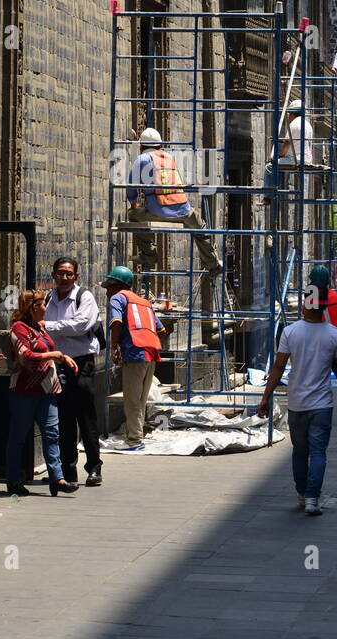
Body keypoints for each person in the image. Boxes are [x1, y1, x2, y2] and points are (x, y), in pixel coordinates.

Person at [257, 289, 337, 515]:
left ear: (304, 306)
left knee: (300, 450)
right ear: (323, 307)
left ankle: (302, 492)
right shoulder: (334, 335)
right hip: (322, 404)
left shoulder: (290, 332)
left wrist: (266, 397)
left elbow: (279, 367)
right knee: (318, 452)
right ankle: (312, 498)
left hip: (297, 403)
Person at [7, 290, 79, 497]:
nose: (46, 309)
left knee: (51, 434)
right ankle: (13, 481)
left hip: (47, 389)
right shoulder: (18, 328)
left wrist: (62, 357)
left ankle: (57, 479)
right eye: (42, 305)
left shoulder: (40, 328)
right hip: (24, 390)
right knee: (18, 436)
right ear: (33, 307)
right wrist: (55, 355)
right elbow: (25, 354)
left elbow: (48, 350)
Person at [125, 128, 223, 275]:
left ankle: (149, 255)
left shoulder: (142, 159)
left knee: (133, 215)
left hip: (160, 210)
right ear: (160, 146)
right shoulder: (169, 157)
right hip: (183, 210)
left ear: (142, 146)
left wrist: (133, 204)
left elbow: (131, 186)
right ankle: (213, 264)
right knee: (201, 229)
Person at [43, 257, 104, 487]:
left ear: (76, 276)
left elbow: (80, 326)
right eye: (60, 273)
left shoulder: (84, 297)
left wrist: (49, 327)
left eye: (69, 273)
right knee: (63, 418)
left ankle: (94, 468)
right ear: (54, 275)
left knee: (86, 416)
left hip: (81, 363)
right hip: (56, 364)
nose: (65, 277)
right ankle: (68, 471)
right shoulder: (49, 299)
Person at [104, 265, 168, 447]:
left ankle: (134, 440)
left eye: (109, 286)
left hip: (134, 353)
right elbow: (162, 329)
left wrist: (115, 347)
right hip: (151, 353)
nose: (107, 291)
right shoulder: (144, 302)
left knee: (131, 399)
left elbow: (116, 322)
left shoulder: (118, 298)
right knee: (140, 399)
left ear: (117, 285)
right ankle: (136, 433)